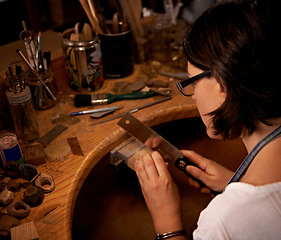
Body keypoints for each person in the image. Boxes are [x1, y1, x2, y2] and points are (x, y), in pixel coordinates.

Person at [134, 0, 281, 239]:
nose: (193, 98)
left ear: (222, 84)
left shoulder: (224, 220)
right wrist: (236, 182)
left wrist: (166, 219)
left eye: (192, 82)